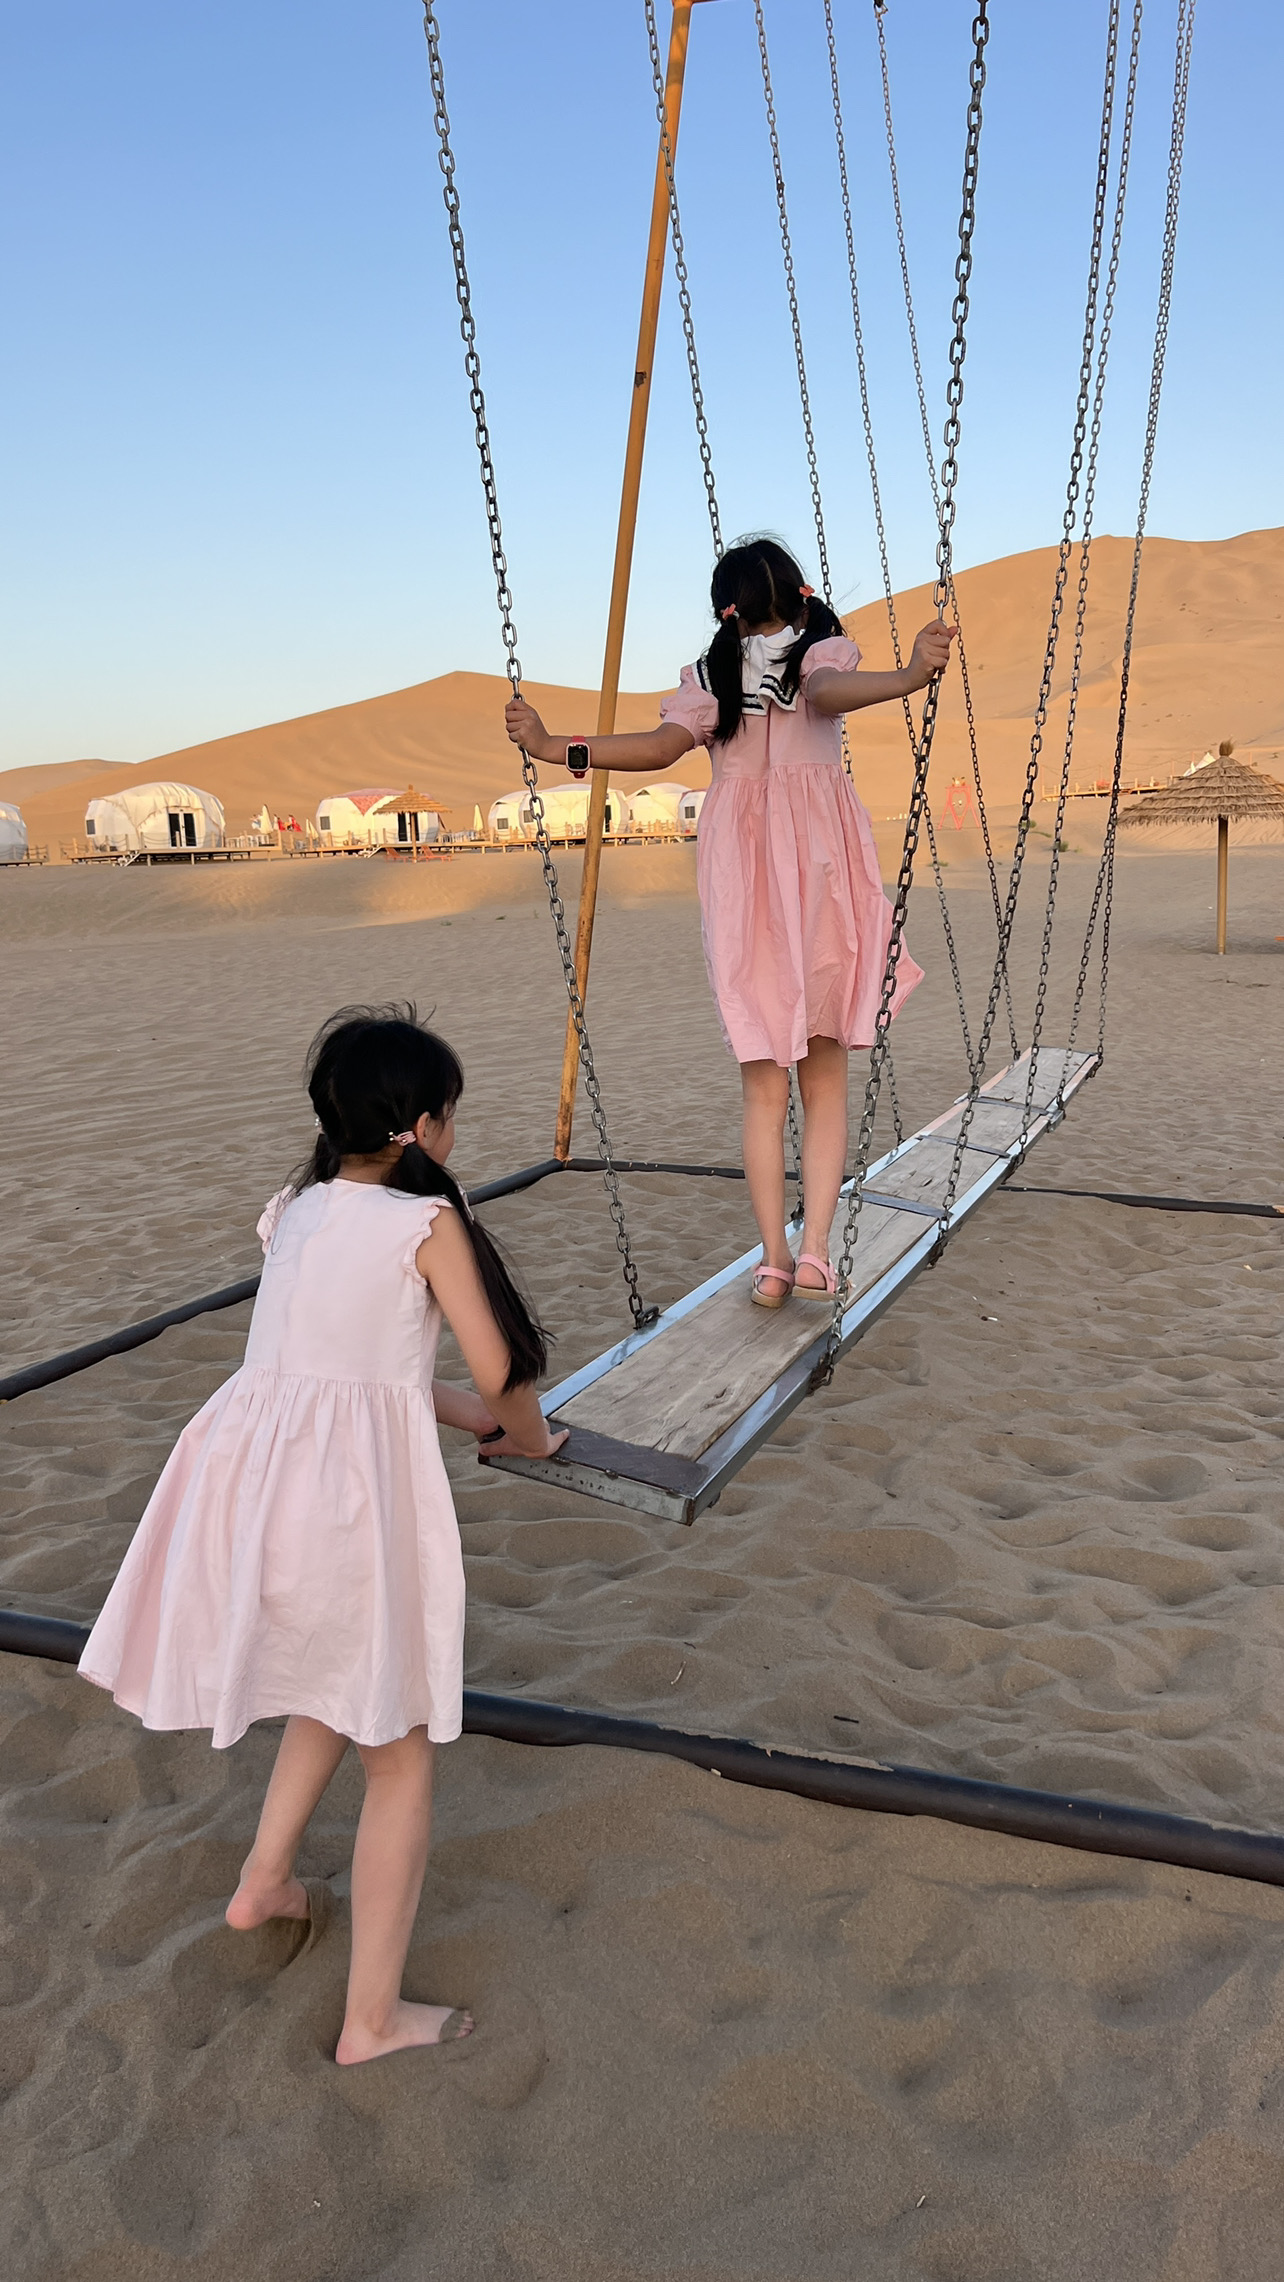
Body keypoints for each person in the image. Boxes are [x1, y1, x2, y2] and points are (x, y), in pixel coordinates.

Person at [78, 1006, 566, 2065]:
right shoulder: (426, 1224)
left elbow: (362, 1372)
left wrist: (473, 1423)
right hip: (342, 1508)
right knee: (399, 1759)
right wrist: (527, 1435)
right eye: (452, 1117)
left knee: (336, 1683)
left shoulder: (296, 1210)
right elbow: (499, 1372)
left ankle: (264, 1881)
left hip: (253, 1493)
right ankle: (372, 2019)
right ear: (424, 1128)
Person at [504, 535, 955, 1308]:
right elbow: (824, 697)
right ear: (799, 597)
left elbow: (660, 749)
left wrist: (556, 747)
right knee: (824, 1082)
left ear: (728, 609)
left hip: (746, 888)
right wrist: (910, 676)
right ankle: (815, 1253)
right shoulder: (814, 656)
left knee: (763, 1091)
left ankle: (775, 1260)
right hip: (817, 882)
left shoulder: (720, 677)